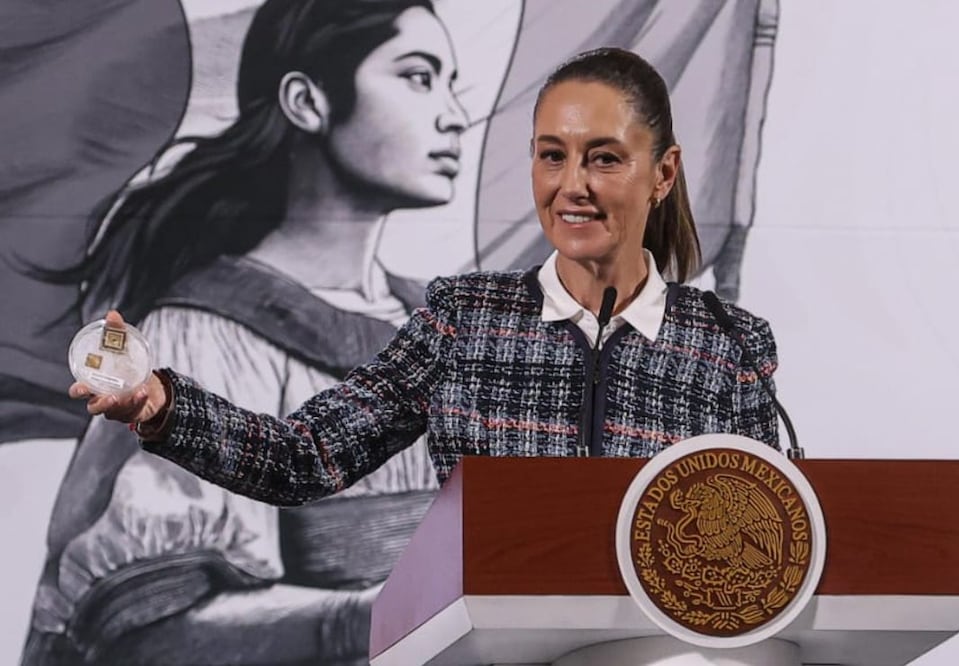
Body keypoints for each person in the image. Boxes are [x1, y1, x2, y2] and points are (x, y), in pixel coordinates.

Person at [75, 46, 780, 513]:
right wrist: (163, 406)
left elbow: (768, 543)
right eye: (550, 156)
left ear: (663, 173)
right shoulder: (464, 319)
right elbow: (304, 458)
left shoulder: (733, 346)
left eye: (603, 159)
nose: (572, 187)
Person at [24, 1, 467, 663]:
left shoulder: (441, 324)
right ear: (306, 101)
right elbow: (150, 629)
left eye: (453, 84)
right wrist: (403, 613)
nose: (455, 115)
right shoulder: (200, 335)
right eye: (418, 76)